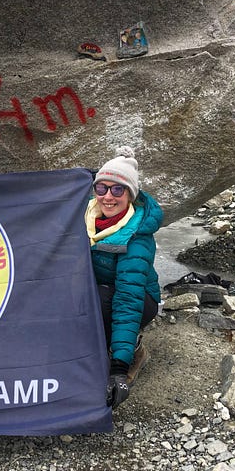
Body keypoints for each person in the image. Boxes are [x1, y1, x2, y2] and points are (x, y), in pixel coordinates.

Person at [85, 146, 163, 409]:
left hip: (138, 299)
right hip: (99, 288)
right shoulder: (84, 217)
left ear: (130, 194)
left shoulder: (137, 236)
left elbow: (127, 299)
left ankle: (132, 353)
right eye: (101, 188)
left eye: (117, 189)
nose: (108, 196)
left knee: (101, 300)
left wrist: (118, 367)